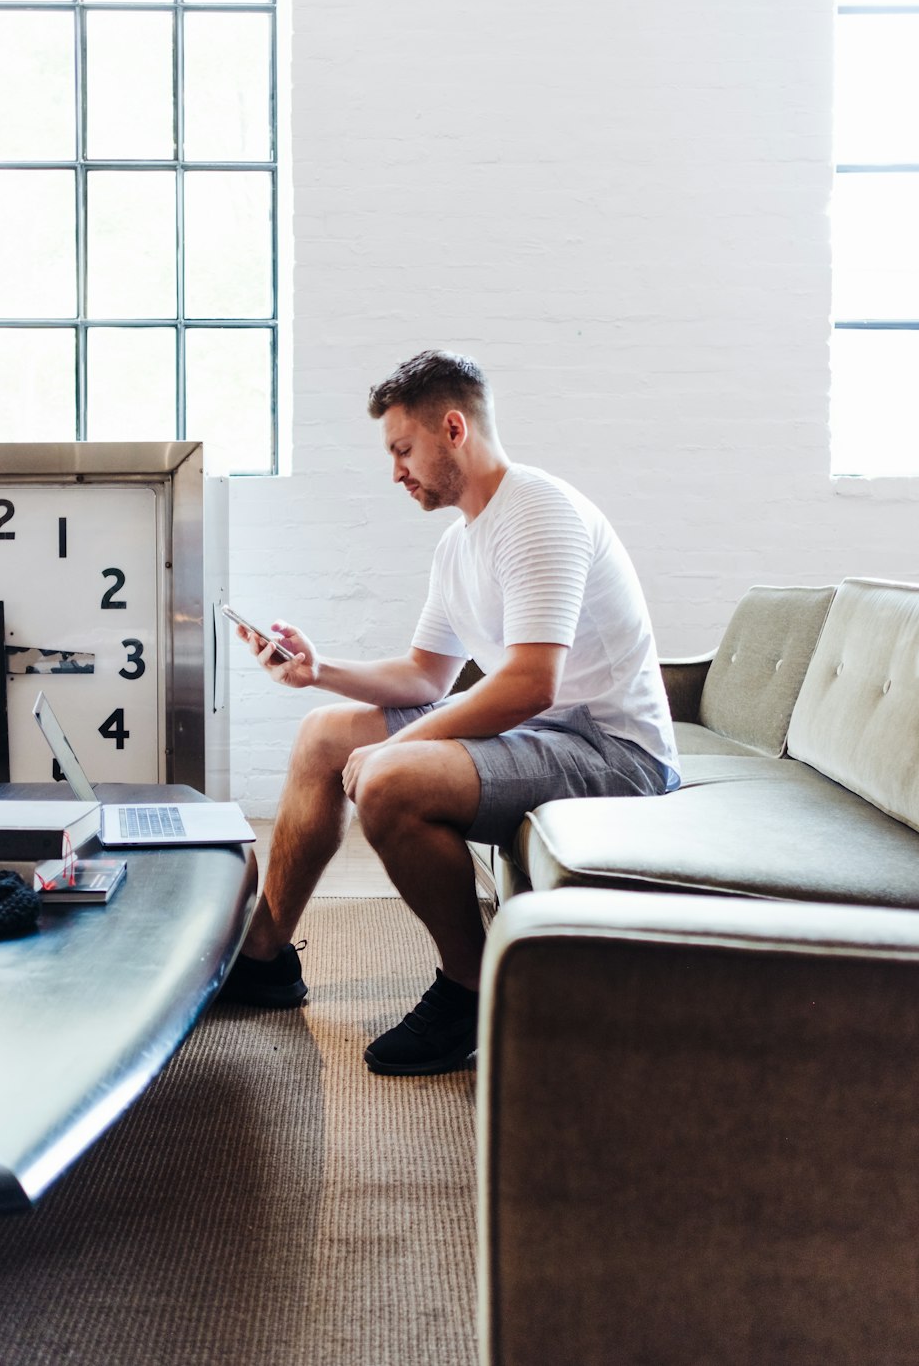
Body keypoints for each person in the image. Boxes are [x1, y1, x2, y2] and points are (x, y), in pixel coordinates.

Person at [222, 349, 679, 1075]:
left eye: (403, 449)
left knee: (389, 781)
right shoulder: (457, 543)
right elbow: (423, 675)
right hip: (545, 733)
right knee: (323, 737)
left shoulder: (538, 511)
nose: (396, 470)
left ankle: (471, 986)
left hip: (611, 752)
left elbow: (531, 682)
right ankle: (265, 957)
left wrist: (395, 754)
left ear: (454, 429)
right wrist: (320, 672)